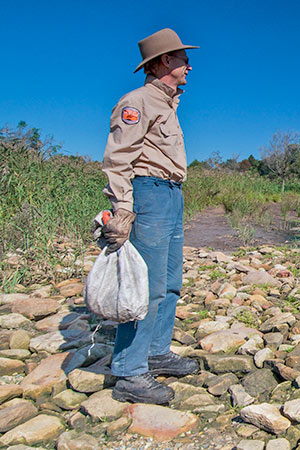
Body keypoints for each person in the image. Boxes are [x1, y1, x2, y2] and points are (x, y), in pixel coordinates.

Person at [101, 28, 199, 404]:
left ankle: (156, 353)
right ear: (163, 62)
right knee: (147, 286)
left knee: (171, 283)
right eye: (182, 59)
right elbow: (118, 158)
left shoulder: (168, 103)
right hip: (148, 194)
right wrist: (123, 206)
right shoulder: (138, 101)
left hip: (171, 195)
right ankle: (129, 372)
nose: (189, 66)